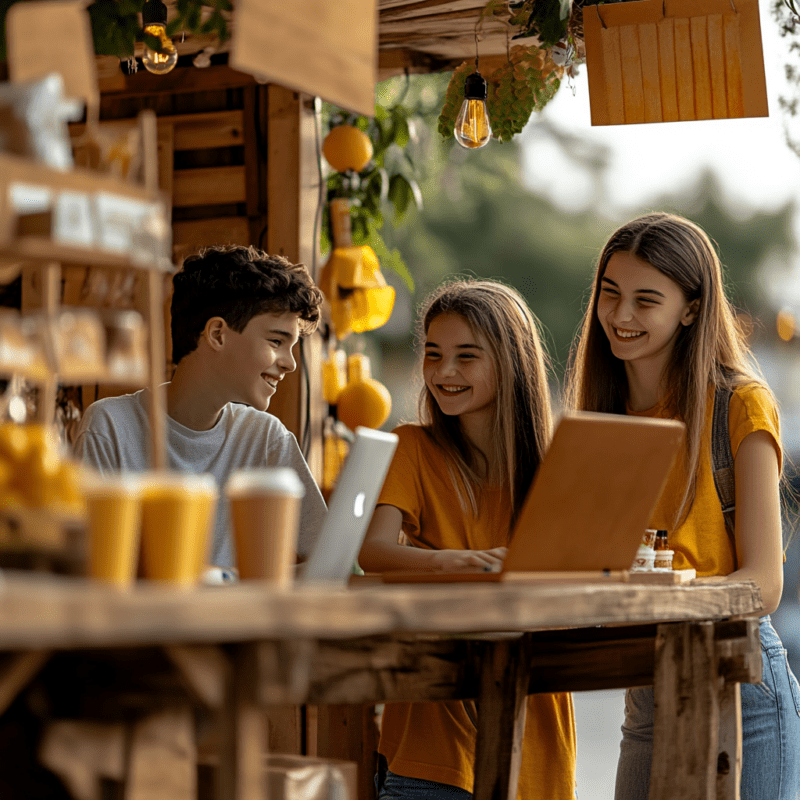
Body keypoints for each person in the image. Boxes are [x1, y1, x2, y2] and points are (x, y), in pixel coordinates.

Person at [564, 212, 800, 800]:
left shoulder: (739, 405)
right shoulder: (599, 420)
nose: (621, 316)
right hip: (648, 687)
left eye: (647, 300)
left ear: (690, 309)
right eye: (610, 294)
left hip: (740, 684)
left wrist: (658, 594)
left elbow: (763, 585)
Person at [359, 279, 577, 800]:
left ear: (511, 362)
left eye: (465, 357)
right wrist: (464, 563)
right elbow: (373, 553)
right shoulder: (411, 446)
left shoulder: (557, 468)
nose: (443, 372)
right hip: (432, 747)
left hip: (538, 747)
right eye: (433, 355)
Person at [73, 244, 327, 569]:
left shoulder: (266, 438)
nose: (290, 364)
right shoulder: (109, 428)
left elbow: (328, 561)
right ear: (218, 334)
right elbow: (89, 570)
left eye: (292, 347)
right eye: (276, 342)